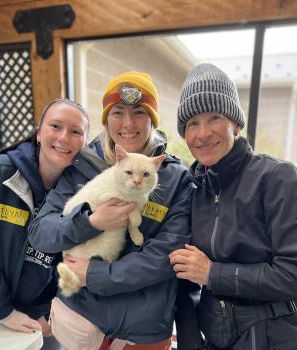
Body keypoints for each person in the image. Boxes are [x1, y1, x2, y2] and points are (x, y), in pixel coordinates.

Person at [28, 71, 204, 350]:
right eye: (118, 112)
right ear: (106, 119)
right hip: (80, 320)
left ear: (153, 120)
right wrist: (89, 222)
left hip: (142, 329)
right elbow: (41, 233)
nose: (128, 123)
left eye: (139, 113)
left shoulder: (174, 179)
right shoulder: (80, 167)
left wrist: (95, 275)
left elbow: (167, 255)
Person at [169, 63, 297, 350]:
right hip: (213, 337)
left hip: (277, 336)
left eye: (214, 117)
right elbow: (184, 279)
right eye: (192, 123)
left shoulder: (278, 178)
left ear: (236, 123)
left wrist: (212, 273)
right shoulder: (193, 189)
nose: (203, 133)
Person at [0, 99, 90, 350]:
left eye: (76, 132)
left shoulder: (82, 194)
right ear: (39, 133)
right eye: (55, 126)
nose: (64, 137)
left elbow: (78, 259)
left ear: (84, 143)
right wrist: (4, 311)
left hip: (49, 313)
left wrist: (53, 309)